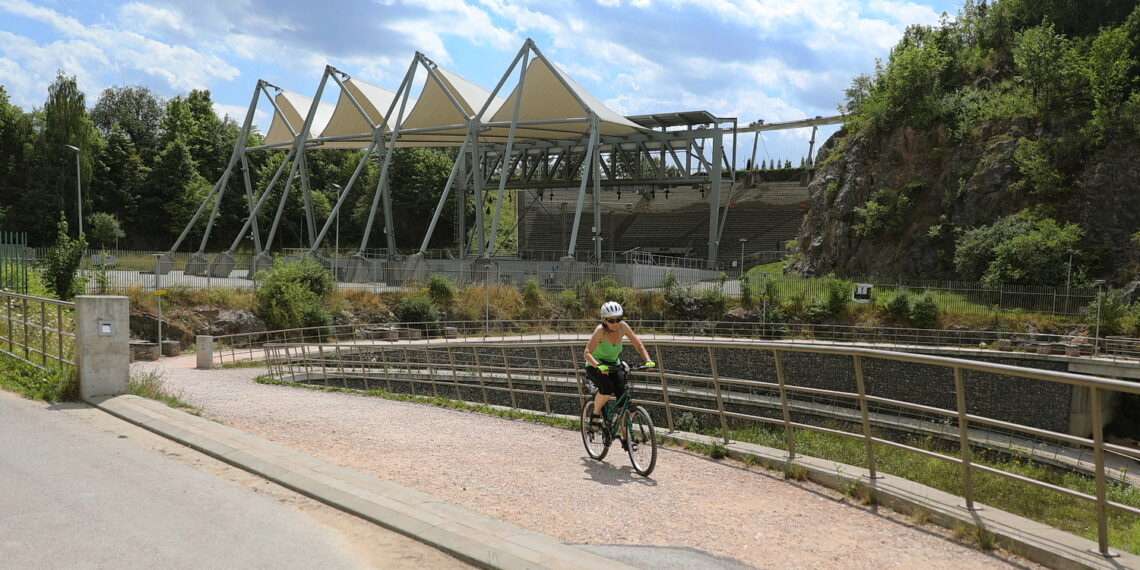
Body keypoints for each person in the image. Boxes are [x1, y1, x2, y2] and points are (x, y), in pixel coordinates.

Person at [583, 301, 655, 437]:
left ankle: (628, 439)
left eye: (618, 319)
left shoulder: (623, 327)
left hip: (614, 365)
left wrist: (648, 360)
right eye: (611, 320)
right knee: (606, 389)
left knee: (623, 402)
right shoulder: (600, 331)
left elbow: (638, 345)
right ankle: (596, 413)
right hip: (596, 366)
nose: (615, 323)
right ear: (604, 320)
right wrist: (598, 365)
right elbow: (587, 353)